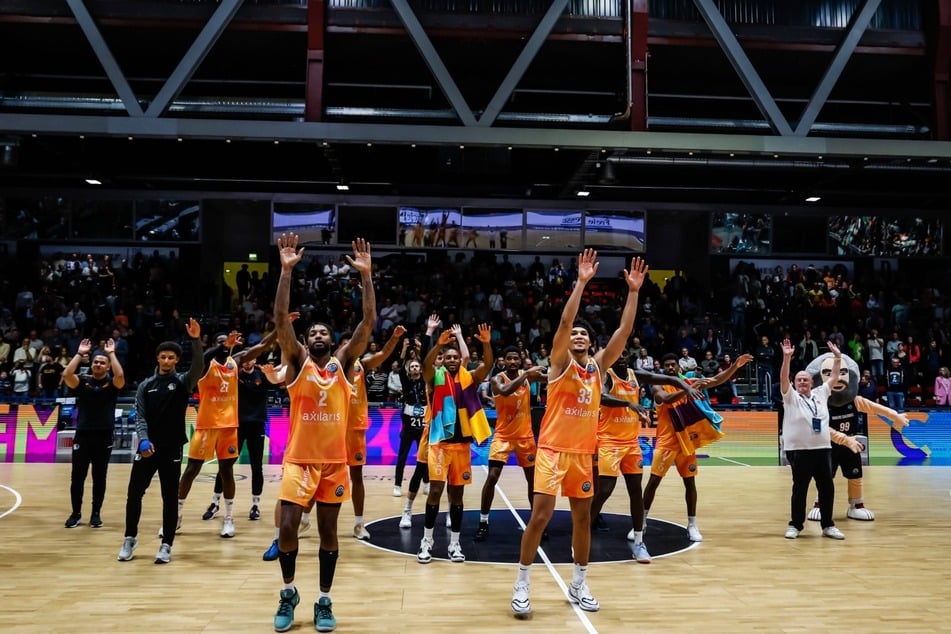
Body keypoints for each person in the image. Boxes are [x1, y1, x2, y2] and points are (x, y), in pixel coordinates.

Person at [511, 251, 647, 619]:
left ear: (591, 342)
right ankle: (522, 584)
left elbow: (624, 332)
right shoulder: (559, 364)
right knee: (540, 517)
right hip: (552, 450)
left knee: (582, 520)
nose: (579, 335)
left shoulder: (599, 368)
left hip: (583, 453)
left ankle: (579, 583)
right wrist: (582, 282)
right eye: (575, 334)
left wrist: (633, 292)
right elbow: (566, 318)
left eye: (585, 334)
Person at [270, 233, 375, 634]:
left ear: (333, 341)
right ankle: (288, 592)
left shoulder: (344, 363)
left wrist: (366, 278)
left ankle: (324, 601)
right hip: (298, 459)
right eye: (311, 332)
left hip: (334, 464)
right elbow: (281, 321)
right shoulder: (297, 361)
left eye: (321, 333)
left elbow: (367, 324)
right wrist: (285, 272)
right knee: (287, 528)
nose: (315, 336)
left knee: (329, 533)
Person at [588, 351, 701, 564]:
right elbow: (602, 396)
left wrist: (685, 386)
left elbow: (668, 378)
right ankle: (583, 531)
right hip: (609, 441)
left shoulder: (635, 375)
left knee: (636, 492)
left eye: (623, 354)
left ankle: (639, 542)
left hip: (631, 443)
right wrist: (629, 404)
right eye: (617, 355)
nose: (620, 357)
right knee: (605, 489)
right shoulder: (606, 375)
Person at [641, 351, 753, 543]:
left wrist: (735, 366)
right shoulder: (658, 384)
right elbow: (665, 399)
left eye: (673, 365)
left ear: (679, 367)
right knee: (653, 482)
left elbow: (717, 380)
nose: (670, 368)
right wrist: (687, 389)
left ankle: (692, 524)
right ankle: (640, 523)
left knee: (690, 483)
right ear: (662, 368)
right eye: (666, 365)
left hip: (686, 440)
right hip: (667, 441)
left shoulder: (689, 380)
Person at [117, 318, 203, 564]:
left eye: (171, 357)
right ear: (158, 359)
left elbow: (198, 366)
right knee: (134, 494)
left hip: (171, 448)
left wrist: (195, 341)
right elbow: (141, 416)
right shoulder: (146, 385)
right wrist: (143, 441)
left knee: (169, 497)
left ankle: (166, 544)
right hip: (147, 448)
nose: (167, 361)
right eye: (163, 357)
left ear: (176, 360)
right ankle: (129, 538)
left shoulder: (183, 382)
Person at [177, 328, 268, 539]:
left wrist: (280, 329)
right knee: (192, 470)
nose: (224, 344)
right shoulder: (204, 366)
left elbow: (259, 349)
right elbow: (203, 356)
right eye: (220, 342)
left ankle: (228, 518)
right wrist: (220, 345)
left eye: (226, 342)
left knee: (227, 471)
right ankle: (177, 516)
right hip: (206, 426)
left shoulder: (234, 363)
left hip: (229, 426)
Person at [416, 323, 493, 564]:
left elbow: (488, 365)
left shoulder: (468, 378)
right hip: (439, 444)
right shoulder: (434, 376)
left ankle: (455, 544)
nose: (451, 359)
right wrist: (437, 343)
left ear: (460, 360)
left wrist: (486, 344)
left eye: (455, 357)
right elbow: (426, 364)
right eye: (447, 357)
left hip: (461, 446)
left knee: (457, 497)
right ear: (442, 360)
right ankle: (426, 541)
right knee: (436, 492)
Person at [803, 352, 909, 523]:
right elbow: (821, 428)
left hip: (851, 445)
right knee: (824, 477)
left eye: (842, 373)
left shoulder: (854, 401)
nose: (837, 379)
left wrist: (895, 415)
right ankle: (819, 505)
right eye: (828, 374)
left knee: (855, 476)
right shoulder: (818, 403)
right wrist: (845, 439)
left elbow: (875, 408)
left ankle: (856, 505)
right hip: (827, 446)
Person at [778, 338, 862, 540]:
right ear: (794, 383)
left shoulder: (821, 393)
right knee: (800, 489)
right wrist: (787, 358)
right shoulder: (790, 397)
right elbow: (783, 378)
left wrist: (838, 357)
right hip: (798, 451)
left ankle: (828, 525)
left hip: (823, 449)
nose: (802, 382)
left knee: (827, 488)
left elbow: (833, 377)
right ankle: (796, 525)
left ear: (812, 382)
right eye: (798, 380)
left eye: (805, 379)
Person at [202, 329, 285, 524]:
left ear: (255, 360)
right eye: (246, 358)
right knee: (225, 466)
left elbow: (281, 372)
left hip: (256, 426)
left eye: (252, 358)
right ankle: (215, 503)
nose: (249, 361)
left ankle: (255, 505)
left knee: (257, 468)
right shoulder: (233, 373)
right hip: (235, 426)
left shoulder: (263, 375)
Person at [473, 346, 546, 543]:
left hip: (525, 438)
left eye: (516, 359)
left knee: (534, 482)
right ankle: (483, 522)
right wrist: (527, 375)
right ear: (503, 361)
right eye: (509, 359)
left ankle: (536, 523)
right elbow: (505, 391)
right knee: (492, 477)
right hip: (503, 437)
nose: (513, 362)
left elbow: (552, 380)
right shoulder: (497, 379)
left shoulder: (528, 376)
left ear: (520, 360)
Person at [347, 324, 405, 541]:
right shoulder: (328, 366)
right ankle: (305, 519)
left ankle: (358, 524)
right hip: (331, 429)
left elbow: (382, 355)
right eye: (344, 344)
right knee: (321, 476)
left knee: (357, 477)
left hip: (355, 429)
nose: (348, 347)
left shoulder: (360, 365)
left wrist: (394, 338)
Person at [62, 338, 125, 529]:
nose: (98, 364)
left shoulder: (112, 384)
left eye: (102, 362)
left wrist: (112, 353)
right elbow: (66, 373)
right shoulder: (83, 382)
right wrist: (80, 354)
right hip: (83, 435)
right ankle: (76, 513)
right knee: (78, 477)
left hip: (104, 436)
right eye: (96, 361)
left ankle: (96, 514)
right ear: (91, 364)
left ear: (107, 367)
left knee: (100, 477)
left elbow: (120, 374)